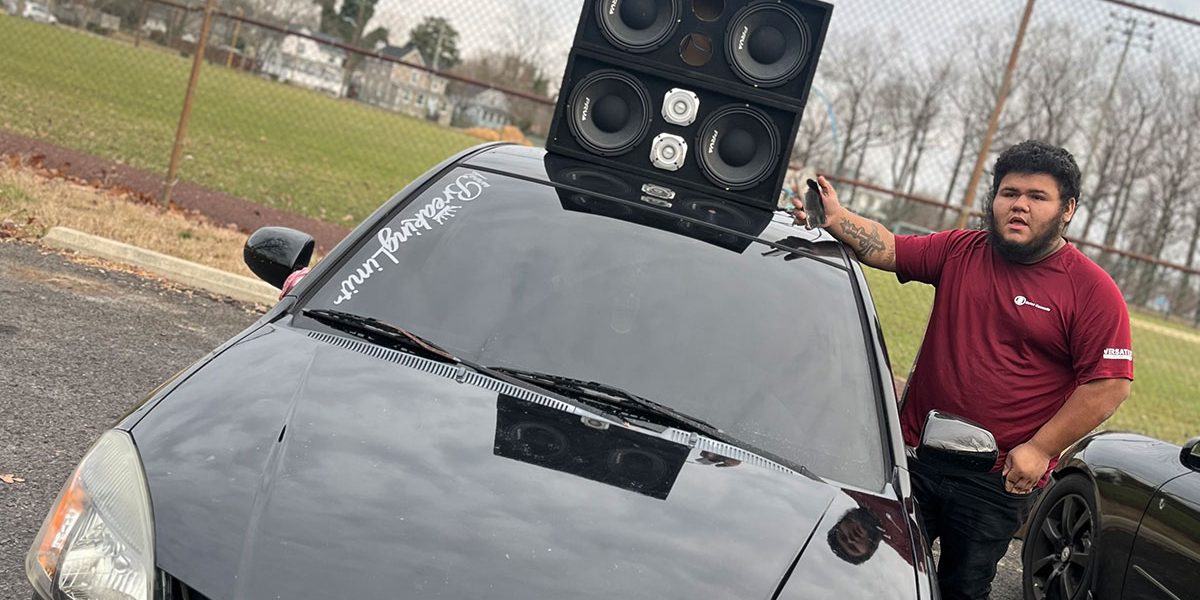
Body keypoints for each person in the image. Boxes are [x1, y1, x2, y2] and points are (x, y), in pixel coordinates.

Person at [792, 140, 1133, 599]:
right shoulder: (961, 250)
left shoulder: (1091, 290)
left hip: (996, 479)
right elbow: (890, 249)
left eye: (1037, 197)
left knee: (962, 588)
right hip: (915, 456)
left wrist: (1040, 448)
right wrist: (837, 218)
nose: (1019, 205)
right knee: (869, 572)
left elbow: (1109, 385)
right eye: (1010, 193)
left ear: (1067, 209)